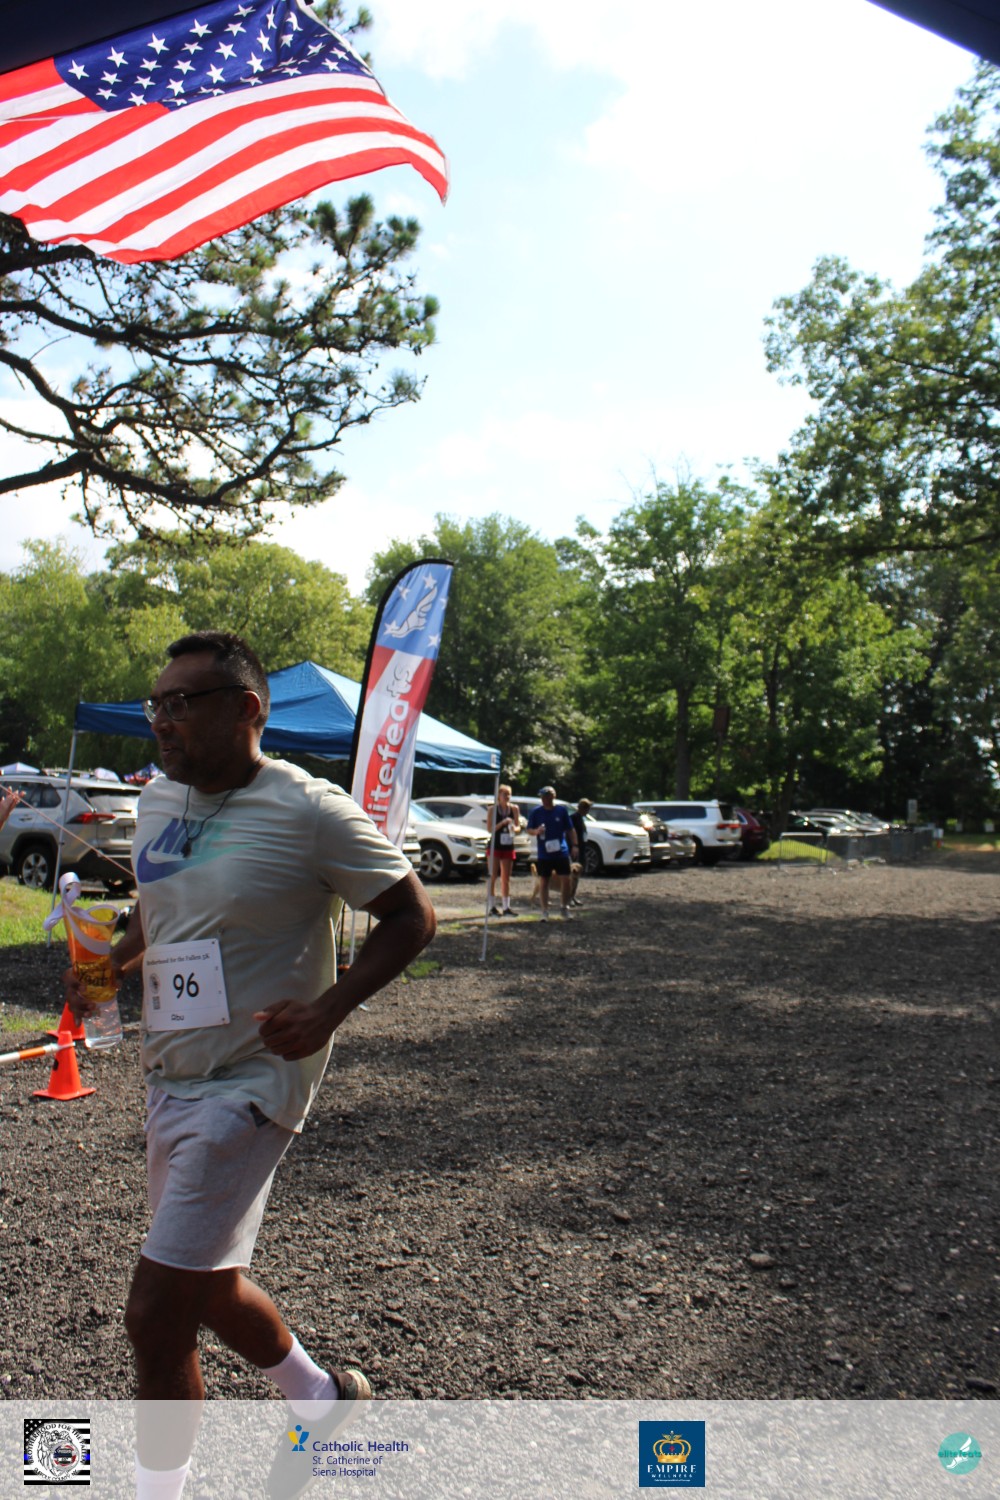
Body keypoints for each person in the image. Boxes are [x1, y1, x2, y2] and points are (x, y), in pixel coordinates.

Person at [65, 631, 436, 1500]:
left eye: (181, 704)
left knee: (155, 1315)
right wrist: (109, 965)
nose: (161, 721)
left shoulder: (310, 810)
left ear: (246, 710)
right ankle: (322, 1398)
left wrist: (330, 1007)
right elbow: (158, 908)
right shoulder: (159, 799)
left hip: (253, 1082)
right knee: (210, 1286)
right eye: (156, 704)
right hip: (172, 1073)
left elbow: (412, 916)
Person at [525, 786, 579, 921]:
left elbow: (570, 829)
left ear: (553, 797)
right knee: (544, 881)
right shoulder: (536, 812)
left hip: (561, 851)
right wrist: (536, 831)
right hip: (544, 853)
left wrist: (575, 845)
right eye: (543, 797)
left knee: (566, 879)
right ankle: (544, 911)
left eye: (547, 797)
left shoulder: (561, 811)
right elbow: (529, 829)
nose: (545, 800)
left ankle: (564, 908)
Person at [486, 783, 521, 915]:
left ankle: (506, 907)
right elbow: (490, 829)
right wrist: (502, 823)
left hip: (508, 845)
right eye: (504, 794)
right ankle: (492, 906)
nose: (507, 797)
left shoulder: (514, 809)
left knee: (506, 877)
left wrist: (513, 827)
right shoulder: (492, 810)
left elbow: (518, 827)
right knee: (493, 876)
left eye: (509, 794)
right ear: (499, 796)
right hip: (495, 845)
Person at [568, 797, 592, 906]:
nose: (588, 811)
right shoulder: (573, 818)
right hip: (575, 849)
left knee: (577, 877)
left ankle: (573, 896)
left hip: (581, 848)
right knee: (572, 876)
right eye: (587, 809)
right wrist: (574, 846)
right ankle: (568, 897)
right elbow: (570, 833)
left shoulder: (581, 819)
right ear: (582, 808)